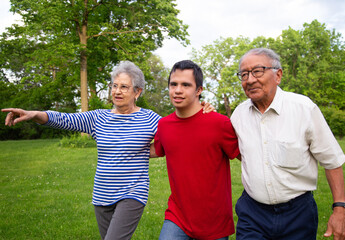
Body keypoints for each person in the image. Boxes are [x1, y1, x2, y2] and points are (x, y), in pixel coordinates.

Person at [3, 61, 162, 240]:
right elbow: (63, 119)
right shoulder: (98, 118)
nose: (117, 91)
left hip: (132, 193)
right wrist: (34, 114)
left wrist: (199, 114)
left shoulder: (150, 119)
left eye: (124, 87)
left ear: (137, 92)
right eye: (114, 86)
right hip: (102, 194)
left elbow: (175, 136)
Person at [230, 48, 345, 240]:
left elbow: (332, 160)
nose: (250, 80)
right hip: (252, 212)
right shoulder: (238, 115)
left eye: (257, 71)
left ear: (278, 75)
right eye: (244, 74)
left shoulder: (304, 109)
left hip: (298, 213)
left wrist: (340, 208)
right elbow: (236, 150)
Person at [150, 60, 240, 240]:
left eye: (186, 85)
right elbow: (154, 150)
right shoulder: (164, 125)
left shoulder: (219, 123)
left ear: (199, 90)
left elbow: (245, 156)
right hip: (177, 216)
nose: (177, 90)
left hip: (214, 222)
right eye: (173, 84)